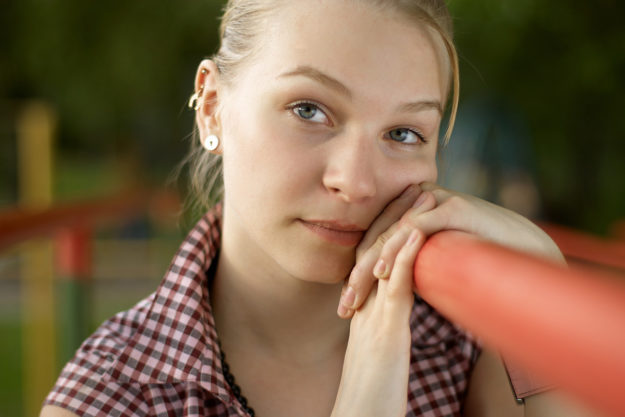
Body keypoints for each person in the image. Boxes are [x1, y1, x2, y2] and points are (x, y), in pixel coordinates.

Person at [41, 1, 600, 416]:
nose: (355, 183)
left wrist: (541, 280)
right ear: (213, 108)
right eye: (308, 109)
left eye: (403, 133)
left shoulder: (466, 342)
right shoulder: (110, 396)